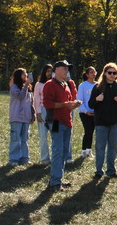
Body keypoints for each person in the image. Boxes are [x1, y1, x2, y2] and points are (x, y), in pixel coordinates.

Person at [42, 60, 80, 191]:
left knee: (64, 151)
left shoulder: (66, 84)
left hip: (67, 121)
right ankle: (55, 181)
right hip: (56, 122)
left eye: (67, 69)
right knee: (58, 150)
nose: (66, 71)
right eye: (64, 68)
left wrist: (73, 104)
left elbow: (67, 103)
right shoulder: (49, 85)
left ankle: (58, 178)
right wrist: (65, 104)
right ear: (56, 69)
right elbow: (47, 104)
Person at [88, 62, 117, 179]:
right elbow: (91, 104)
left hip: (115, 122)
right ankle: (98, 171)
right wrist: (97, 99)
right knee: (100, 147)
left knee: (113, 147)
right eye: (109, 72)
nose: (112, 75)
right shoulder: (98, 87)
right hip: (101, 122)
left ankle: (111, 171)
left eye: (114, 73)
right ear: (105, 73)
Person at [8, 68, 35, 166]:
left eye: (26, 75)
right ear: (19, 76)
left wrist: (33, 114)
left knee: (24, 139)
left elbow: (31, 102)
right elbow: (20, 96)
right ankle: (14, 159)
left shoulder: (27, 88)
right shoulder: (14, 87)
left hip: (26, 117)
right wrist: (27, 84)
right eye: (24, 75)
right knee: (15, 139)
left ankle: (24, 158)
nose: (26, 76)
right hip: (16, 117)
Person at [76, 66, 97, 160]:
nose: (93, 73)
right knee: (87, 130)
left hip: (94, 113)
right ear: (87, 74)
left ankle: (89, 151)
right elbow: (80, 100)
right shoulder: (83, 85)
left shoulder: (97, 85)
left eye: (94, 72)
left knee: (91, 131)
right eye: (91, 72)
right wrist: (85, 111)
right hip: (84, 112)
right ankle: (84, 151)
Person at [34, 64, 53, 164]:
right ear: (44, 72)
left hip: (54, 110)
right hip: (43, 110)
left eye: (51, 71)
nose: (49, 73)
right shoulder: (39, 84)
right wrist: (38, 112)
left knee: (56, 133)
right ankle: (45, 158)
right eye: (47, 71)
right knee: (43, 135)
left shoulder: (55, 84)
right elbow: (36, 99)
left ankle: (56, 157)